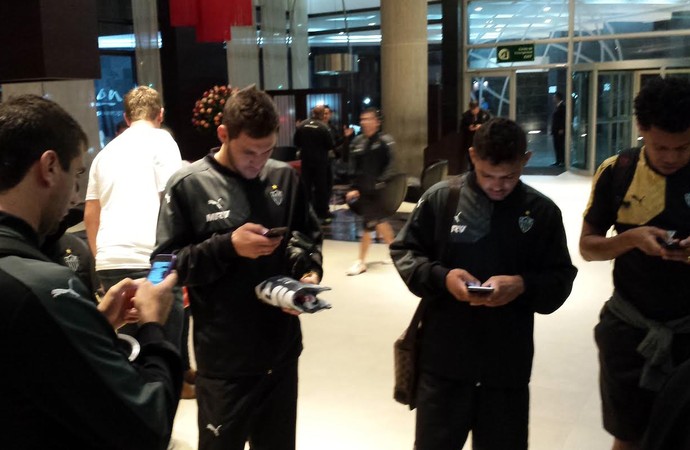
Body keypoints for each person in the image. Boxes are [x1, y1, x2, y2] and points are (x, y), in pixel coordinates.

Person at [0, 94, 181, 449]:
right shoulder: (43, 288)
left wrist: (90, 326)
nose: (74, 194)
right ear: (49, 167)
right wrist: (154, 330)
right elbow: (147, 426)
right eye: (76, 173)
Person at [153, 86, 324, 450]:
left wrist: (308, 273)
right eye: (249, 152)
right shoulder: (188, 184)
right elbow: (161, 267)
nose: (258, 161)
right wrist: (227, 245)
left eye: (267, 151)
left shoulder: (284, 177)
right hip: (224, 362)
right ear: (223, 135)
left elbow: (305, 237)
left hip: (281, 354)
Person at [391, 117, 577, 450]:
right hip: (444, 364)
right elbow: (405, 252)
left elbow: (560, 280)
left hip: (507, 369)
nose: (497, 185)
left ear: (526, 160)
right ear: (473, 156)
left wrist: (521, 285)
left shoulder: (541, 212)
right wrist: (443, 277)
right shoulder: (442, 199)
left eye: (509, 176)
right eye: (488, 175)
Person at [579, 76, 690, 450]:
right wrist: (630, 239)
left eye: (683, 147)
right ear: (641, 128)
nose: (672, 157)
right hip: (629, 331)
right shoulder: (618, 171)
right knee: (628, 436)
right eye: (661, 147)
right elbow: (588, 247)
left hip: (687, 333)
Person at [84, 85, 183, 343]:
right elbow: (172, 203)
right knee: (162, 344)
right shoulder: (163, 141)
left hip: (110, 261)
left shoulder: (104, 154)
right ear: (160, 115)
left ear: (127, 118)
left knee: (126, 348)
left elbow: (91, 214)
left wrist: (101, 257)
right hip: (154, 260)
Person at [345, 107, 398, 276]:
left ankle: (360, 261)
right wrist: (353, 187)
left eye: (368, 119)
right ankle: (397, 252)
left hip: (380, 190)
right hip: (363, 190)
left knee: (369, 224)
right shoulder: (357, 142)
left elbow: (391, 165)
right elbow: (353, 167)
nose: (365, 122)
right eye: (362, 119)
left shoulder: (386, 141)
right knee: (380, 221)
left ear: (377, 121)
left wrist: (381, 183)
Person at [294, 104, 335, 223]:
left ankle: (306, 213)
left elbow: (296, 142)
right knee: (321, 188)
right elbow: (330, 145)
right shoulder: (323, 127)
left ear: (312, 113)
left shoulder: (302, 125)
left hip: (306, 162)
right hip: (320, 163)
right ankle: (322, 214)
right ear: (322, 114)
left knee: (306, 188)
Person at [459, 100, 491, 167]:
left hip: (482, 137)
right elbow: (461, 127)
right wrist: (469, 128)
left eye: (475, 109)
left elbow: (489, 125)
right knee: (471, 154)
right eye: (472, 110)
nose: (474, 111)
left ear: (478, 107)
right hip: (470, 138)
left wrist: (481, 126)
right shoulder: (466, 115)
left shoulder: (485, 114)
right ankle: (471, 167)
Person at [551, 91, 566, 166]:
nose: (553, 98)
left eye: (554, 97)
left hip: (559, 130)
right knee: (556, 146)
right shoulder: (557, 107)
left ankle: (562, 161)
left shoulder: (562, 107)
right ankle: (558, 160)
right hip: (555, 130)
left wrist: (561, 128)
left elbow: (562, 119)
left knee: (560, 146)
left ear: (557, 98)